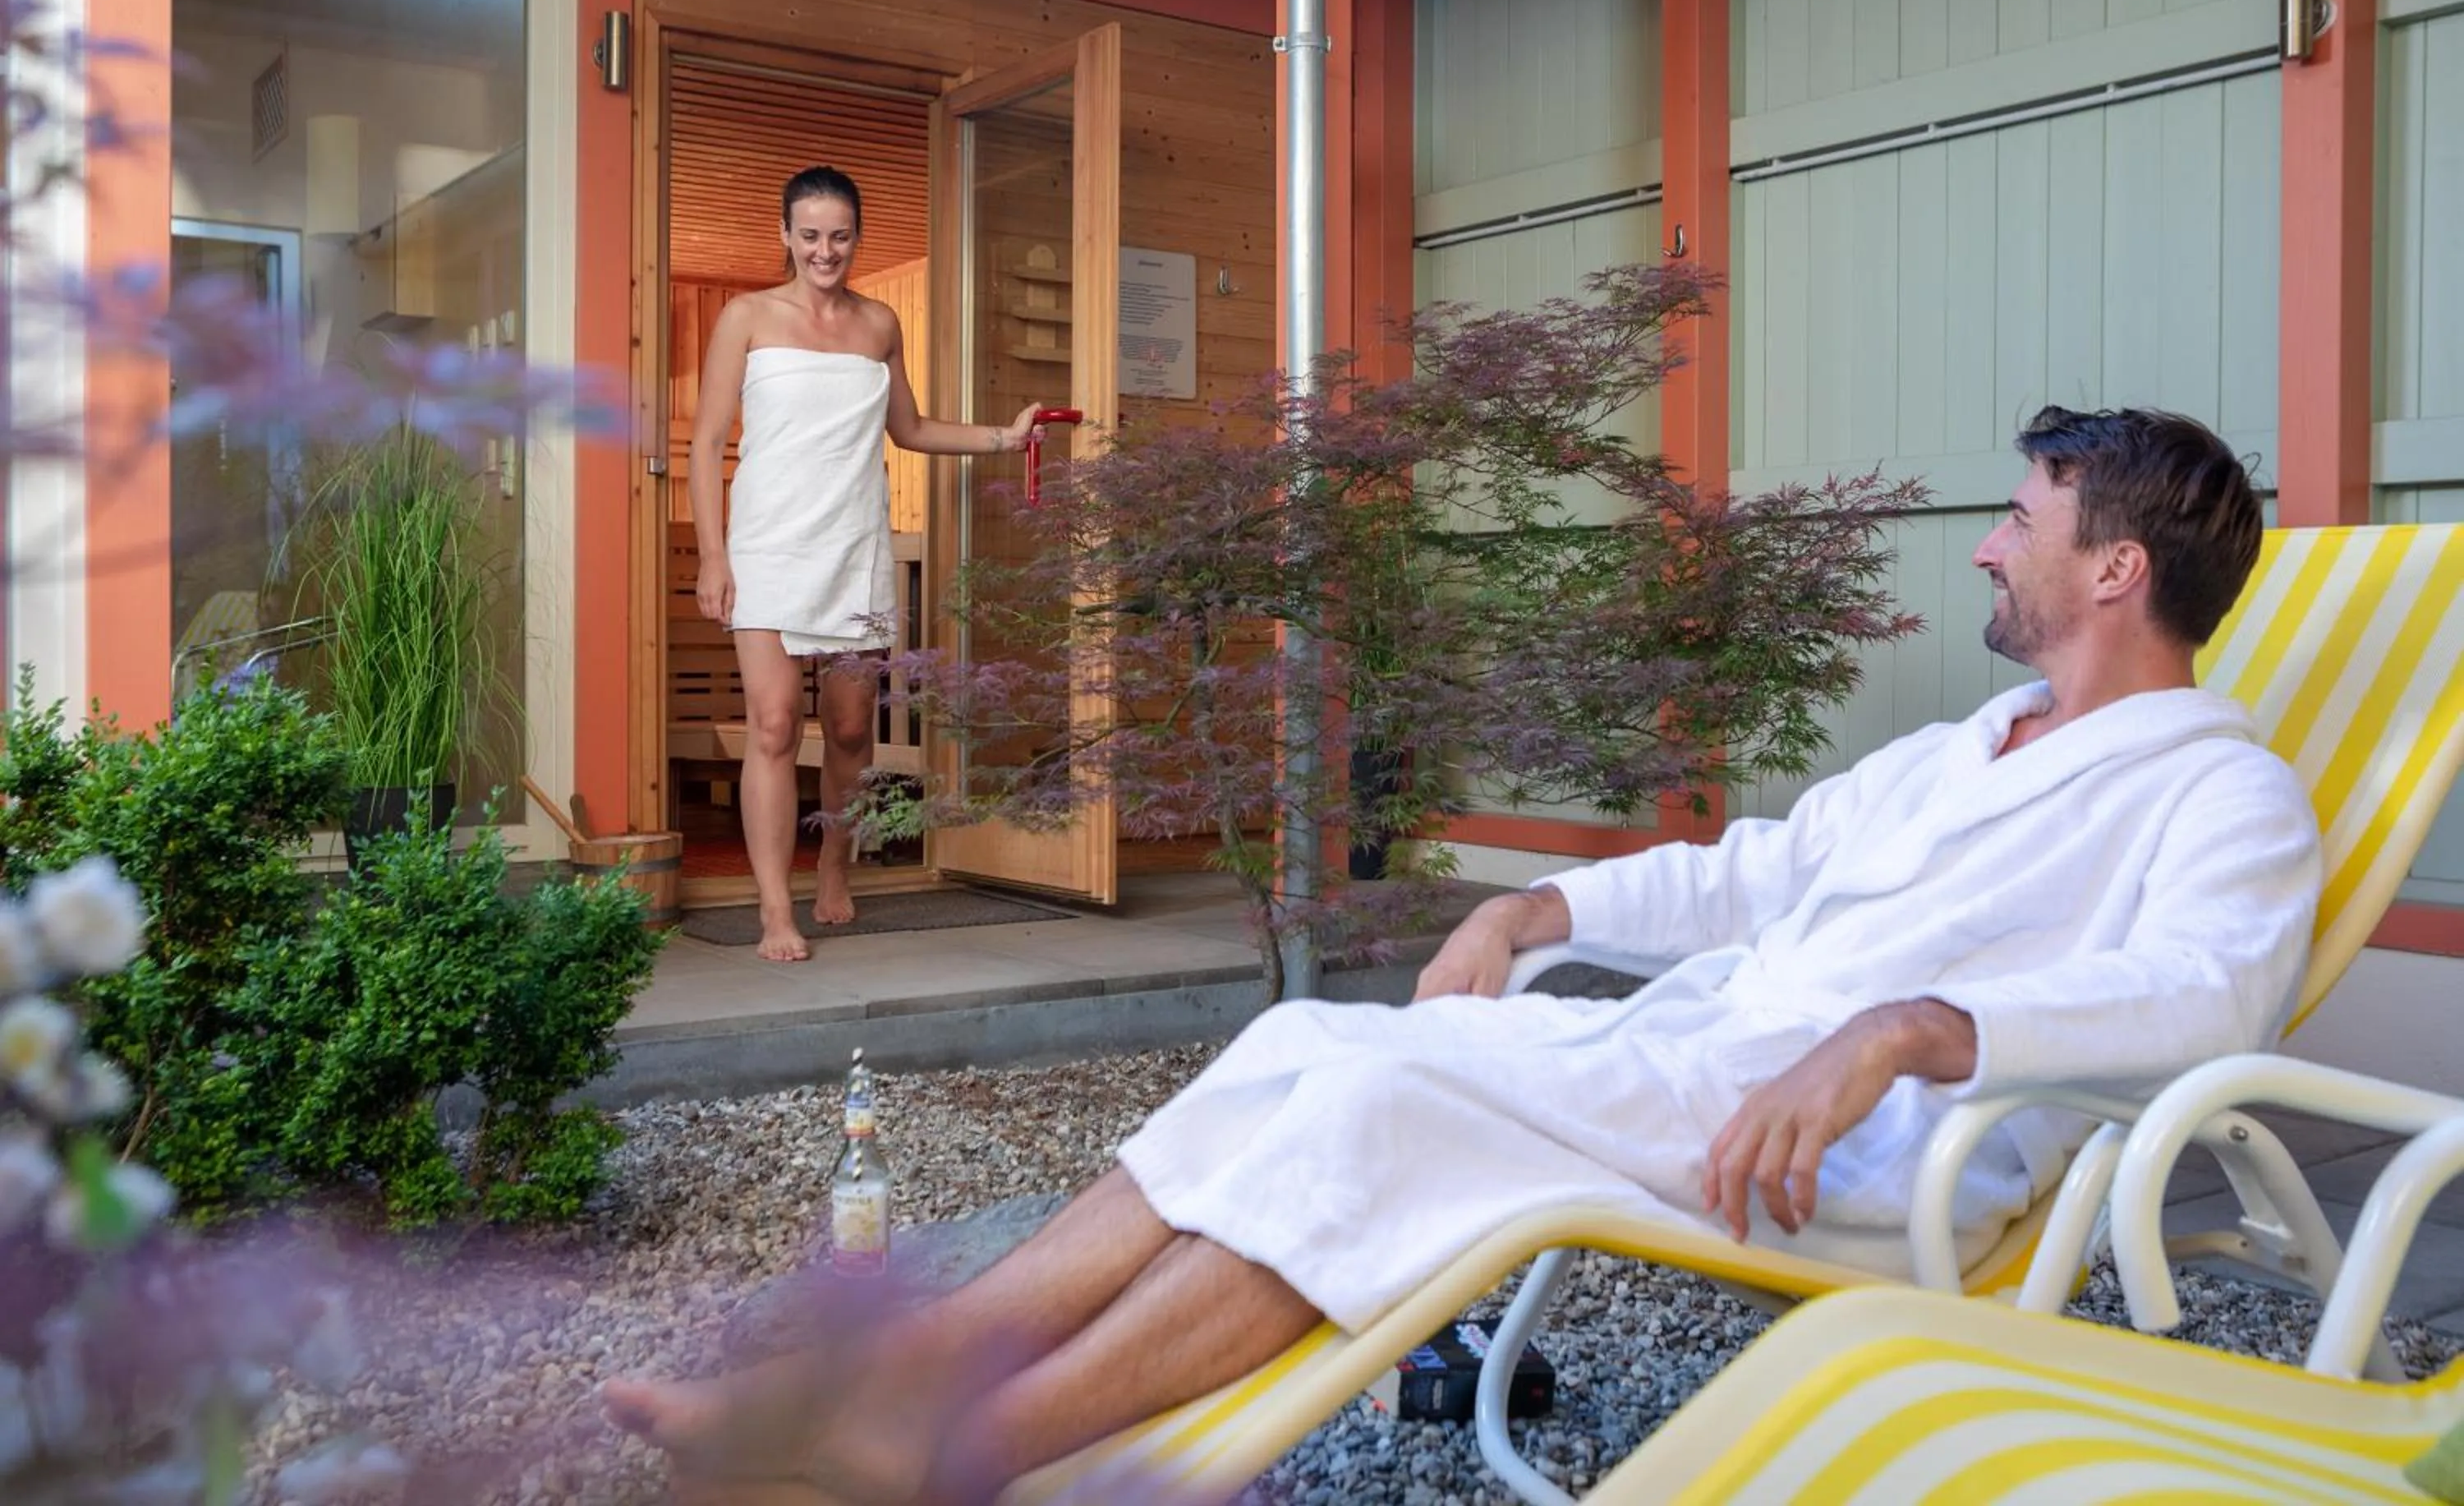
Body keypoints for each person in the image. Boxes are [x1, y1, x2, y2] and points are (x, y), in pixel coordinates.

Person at [609, 406, 2323, 1500]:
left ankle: (955, 1447)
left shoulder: (2221, 791)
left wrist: (1908, 1028)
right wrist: (1536, 911)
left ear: (2115, 563)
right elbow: (1761, 866)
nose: (1986, 541)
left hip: (1860, 1145)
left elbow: (2208, 994)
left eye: (2022, 518)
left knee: (1378, 1111)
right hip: (1717, 1057)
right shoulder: (1979, 741)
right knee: (1304, 1052)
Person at [692, 166, 1045, 961]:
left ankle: (834, 860)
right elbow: (709, 442)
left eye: (840, 236)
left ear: (857, 238)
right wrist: (714, 555)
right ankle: (774, 909)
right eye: (810, 234)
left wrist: (1002, 437)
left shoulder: (880, 324)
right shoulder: (746, 317)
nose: (825, 250)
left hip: (853, 543)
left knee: (851, 726)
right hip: (768, 548)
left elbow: (910, 428)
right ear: (785, 235)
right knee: (776, 724)